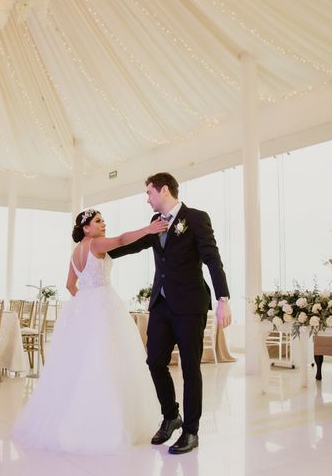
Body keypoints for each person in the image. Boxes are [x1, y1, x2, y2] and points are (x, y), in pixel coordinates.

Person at [12, 209, 169, 454]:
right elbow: (121, 241)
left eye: (104, 220)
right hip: (104, 306)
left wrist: (85, 301)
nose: (103, 224)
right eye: (98, 221)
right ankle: (106, 424)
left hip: (86, 308)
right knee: (108, 361)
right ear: (86, 228)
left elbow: (69, 285)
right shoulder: (96, 244)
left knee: (83, 364)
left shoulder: (75, 252)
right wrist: (148, 230)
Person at [109, 172, 231, 455]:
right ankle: (171, 415)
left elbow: (212, 259)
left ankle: (191, 431)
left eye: (149, 192)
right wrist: (99, 250)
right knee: (154, 361)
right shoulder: (156, 223)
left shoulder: (197, 218)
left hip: (190, 306)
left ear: (164, 190)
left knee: (190, 368)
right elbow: (136, 244)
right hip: (161, 307)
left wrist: (223, 298)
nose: (147, 198)